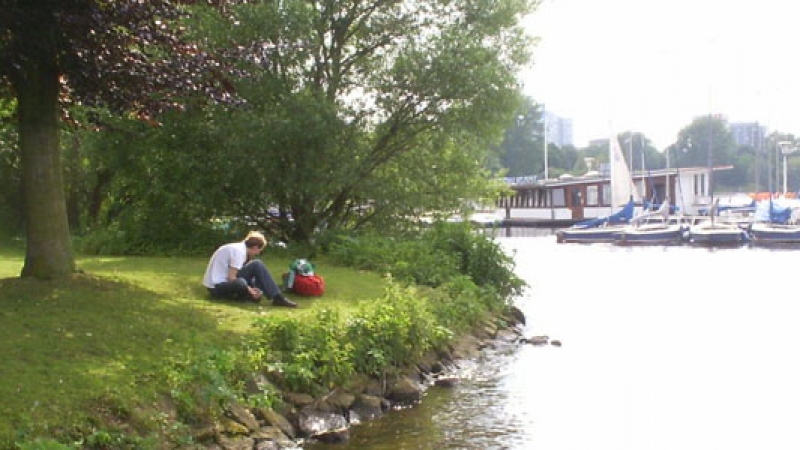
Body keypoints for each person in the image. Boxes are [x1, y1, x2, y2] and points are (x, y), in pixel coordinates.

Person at [202, 231, 297, 307]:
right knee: (244, 279)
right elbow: (231, 277)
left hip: (223, 281)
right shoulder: (238, 252)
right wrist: (250, 289)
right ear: (255, 247)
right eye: (259, 251)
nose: (258, 254)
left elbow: (238, 273)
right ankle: (276, 298)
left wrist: (252, 287)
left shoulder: (239, 248)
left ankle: (273, 296)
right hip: (216, 287)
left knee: (254, 267)